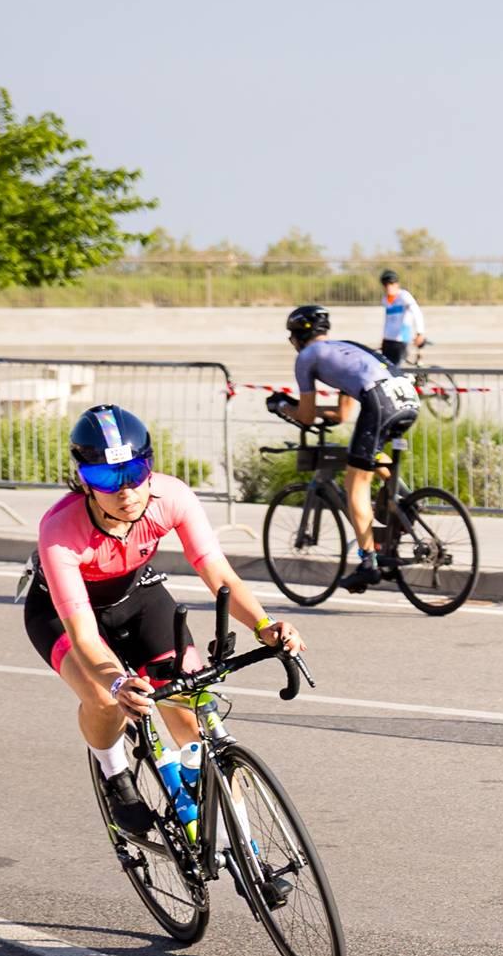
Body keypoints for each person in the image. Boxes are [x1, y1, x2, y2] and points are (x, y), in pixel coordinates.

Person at [25, 404, 298, 836]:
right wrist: (118, 682)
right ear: (83, 479)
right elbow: (84, 636)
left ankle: (241, 843)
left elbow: (219, 574)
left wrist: (265, 626)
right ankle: (115, 774)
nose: (126, 492)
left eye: (134, 473)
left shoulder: (171, 497)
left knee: (189, 704)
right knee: (104, 698)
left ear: (149, 466)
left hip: (138, 595)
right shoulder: (60, 529)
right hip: (63, 615)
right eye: (106, 479)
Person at [268, 302, 421, 594]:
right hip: (407, 397)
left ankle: (368, 562)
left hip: (379, 402)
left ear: (298, 336)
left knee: (354, 485)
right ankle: (404, 499)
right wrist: (309, 411)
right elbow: (342, 414)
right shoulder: (345, 348)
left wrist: (282, 405)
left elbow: (306, 416)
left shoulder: (307, 357)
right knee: (365, 454)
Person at [379, 269, 426, 370]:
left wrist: (420, 332)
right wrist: (384, 337)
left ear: (397, 284)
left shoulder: (404, 296)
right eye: (386, 284)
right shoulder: (385, 299)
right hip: (388, 340)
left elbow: (417, 312)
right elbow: (388, 320)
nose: (389, 287)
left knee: (396, 370)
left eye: (391, 283)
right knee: (384, 368)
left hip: (400, 340)